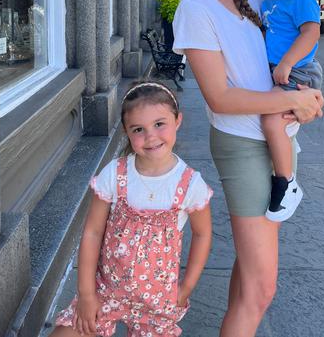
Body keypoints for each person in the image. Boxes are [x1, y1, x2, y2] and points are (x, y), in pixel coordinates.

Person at [172, 0, 324, 337]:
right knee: (262, 288)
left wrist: (303, 100)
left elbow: (283, 56)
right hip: (242, 145)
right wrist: (290, 104)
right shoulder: (194, 9)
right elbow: (220, 98)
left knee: (250, 272)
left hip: (272, 137)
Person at [52, 81, 212, 337]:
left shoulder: (190, 184)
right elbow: (92, 231)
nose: (150, 136)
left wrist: (186, 287)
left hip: (158, 301)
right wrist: (86, 294)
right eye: (138, 129)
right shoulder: (115, 174)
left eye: (159, 124)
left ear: (177, 121)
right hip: (106, 291)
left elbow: (202, 234)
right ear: (127, 132)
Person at [260, 0, 322, 223]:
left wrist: (286, 62)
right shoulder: (268, 2)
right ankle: (286, 142)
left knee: (272, 120)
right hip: (281, 69)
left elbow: (310, 33)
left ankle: (286, 182)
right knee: (274, 118)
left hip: (298, 70)